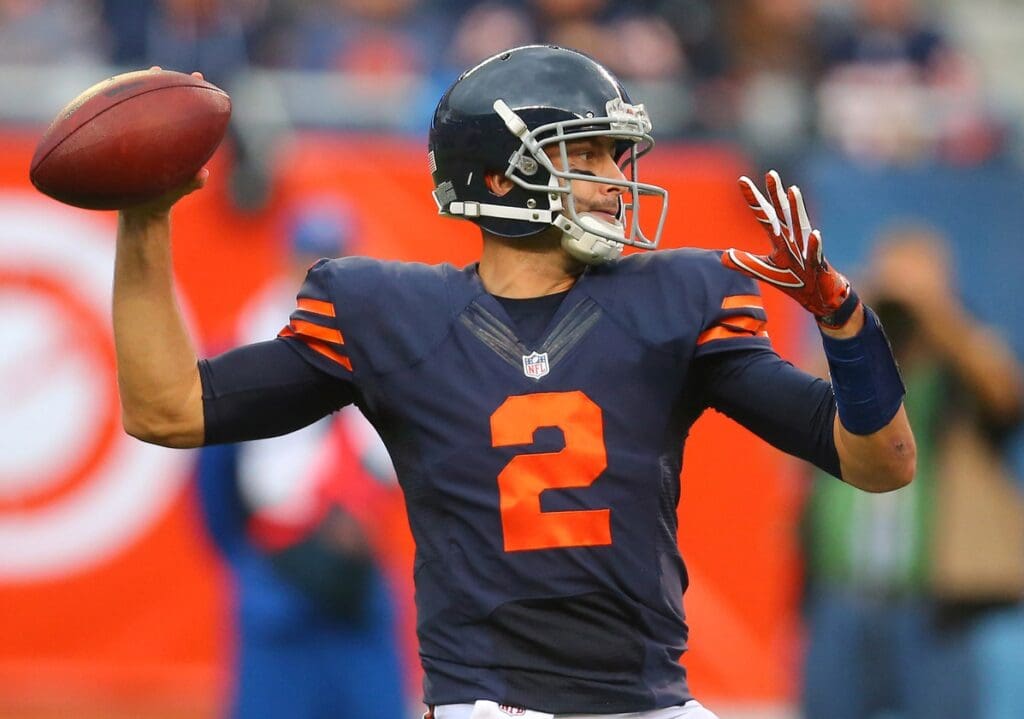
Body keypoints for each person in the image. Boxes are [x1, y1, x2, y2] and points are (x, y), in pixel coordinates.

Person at [112, 47, 915, 718]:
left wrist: (847, 327)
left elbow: (883, 464)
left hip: (651, 701)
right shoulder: (388, 312)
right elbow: (170, 408)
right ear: (499, 179)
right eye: (588, 153)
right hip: (489, 704)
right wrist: (144, 220)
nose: (616, 176)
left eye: (617, 153)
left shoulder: (678, 301)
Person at [192, 200, 410, 719]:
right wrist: (256, 560)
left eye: (334, 260)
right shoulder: (241, 346)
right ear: (284, 261)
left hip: (359, 581)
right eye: (310, 261)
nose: (320, 275)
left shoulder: (386, 348)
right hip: (276, 582)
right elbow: (212, 480)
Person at [799, 227, 1024, 719]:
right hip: (840, 594)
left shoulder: (960, 364)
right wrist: (853, 311)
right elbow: (800, 402)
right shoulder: (849, 363)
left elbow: (1006, 396)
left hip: (933, 603)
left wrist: (937, 310)